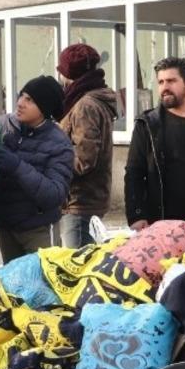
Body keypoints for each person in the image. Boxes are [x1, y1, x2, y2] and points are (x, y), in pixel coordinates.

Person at [124, 57, 185, 230]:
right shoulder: (148, 124)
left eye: (171, 81)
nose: (165, 87)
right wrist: (136, 214)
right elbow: (134, 172)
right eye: (161, 82)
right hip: (161, 222)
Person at [0, 75, 73, 262]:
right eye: (21, 96)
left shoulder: (58, 143)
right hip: (6, 226)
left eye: (29, 100)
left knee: (43, 284)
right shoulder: (3, 126)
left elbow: (54, 194)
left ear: (44, 108)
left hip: (39, 228)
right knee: (13, 285)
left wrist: (17, 166)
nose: (20, 103)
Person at [56, 43, 117, 247]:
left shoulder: (85, 105)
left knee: (78, 268)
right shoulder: (89, 98)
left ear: (69, 74)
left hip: (80, 202)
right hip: (84, 200)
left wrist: (53, 163)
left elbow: (84, 158)